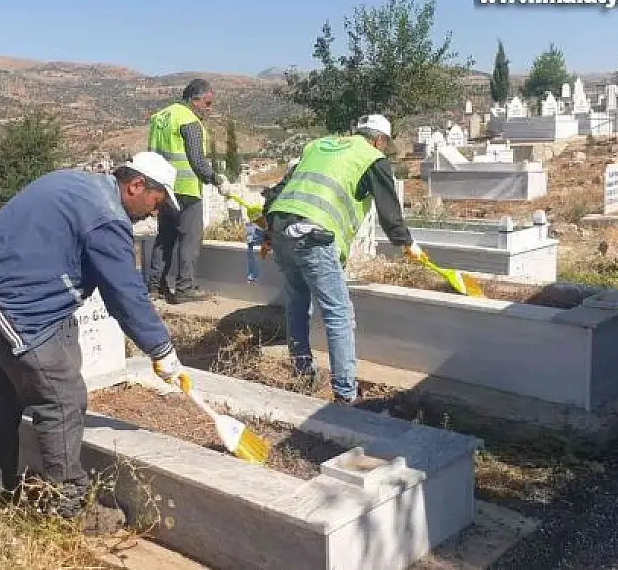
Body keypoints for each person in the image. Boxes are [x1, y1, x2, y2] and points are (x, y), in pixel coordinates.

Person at [0, 152, 192, 525]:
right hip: (8, 306)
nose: (153, 212)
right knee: (62, 397)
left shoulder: (80, 183)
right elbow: (125, 294)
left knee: (1, 394)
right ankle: (70, 509)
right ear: (137, 185)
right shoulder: (108, 217)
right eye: (155, 203)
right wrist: (160, 348)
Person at [262, 115, 424, 405]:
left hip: (280, 230)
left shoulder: (319, 146)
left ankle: (303, 373)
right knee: (338, 314)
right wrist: (406, 242)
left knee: (298, 304)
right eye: (385, 144)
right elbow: (390, 211)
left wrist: (267, 233)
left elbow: (279, 190)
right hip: (313, 236)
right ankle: (345, 394)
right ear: (380, 140)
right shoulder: (372, 158)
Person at [146, 78, 233, 304]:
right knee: (189, 239)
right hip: (186, 189)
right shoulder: (189, 120)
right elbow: (196, 159)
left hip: (163, 189)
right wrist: (216, 179)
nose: (209, 109)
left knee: (165, 237)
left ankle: (155, 286)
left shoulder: (160, 118)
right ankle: (185, 288)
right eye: (207, 103)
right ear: (194, 100)